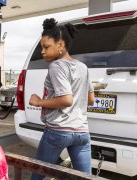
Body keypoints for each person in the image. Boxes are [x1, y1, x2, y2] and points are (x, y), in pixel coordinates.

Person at [29, 18, 94, 179]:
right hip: (82, 133)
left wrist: (39, 102)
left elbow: (66, 99)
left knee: (38, 175)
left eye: (46, 47)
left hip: (58, 131)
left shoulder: (56, 66)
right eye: (41, 47)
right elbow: (91, 99)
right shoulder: (83, 67)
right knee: (85, 178)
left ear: (61, 45)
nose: (42, 51)